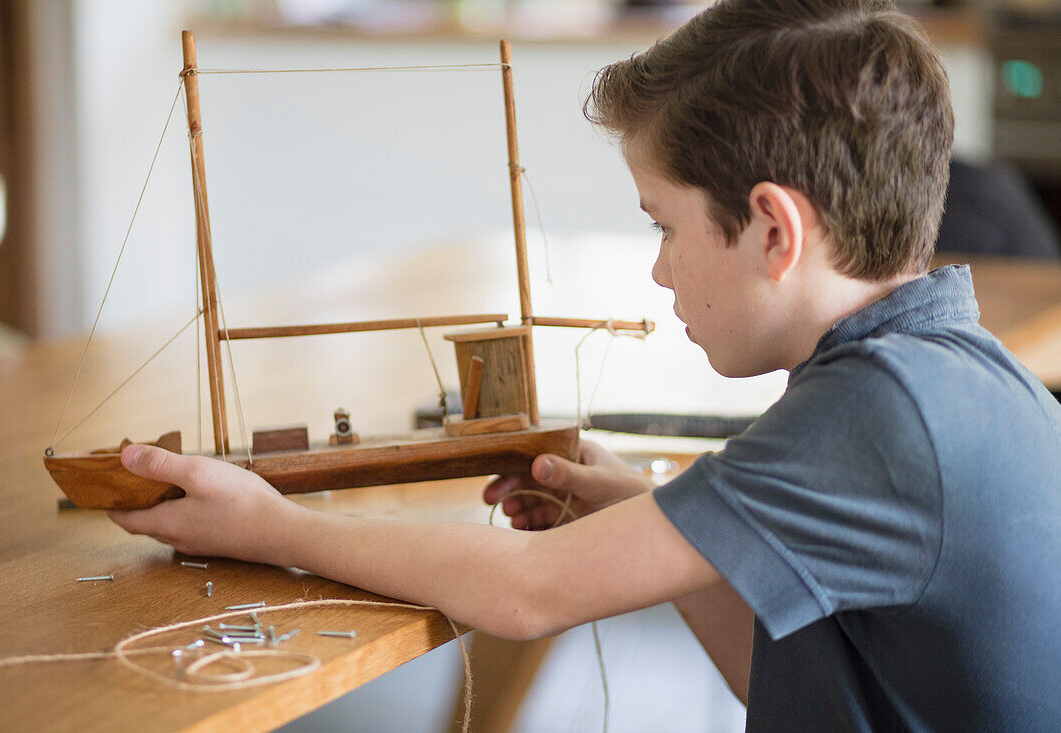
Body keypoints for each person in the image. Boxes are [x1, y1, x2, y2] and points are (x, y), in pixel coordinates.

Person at [108, 0, 1061, 729]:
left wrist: (274, 527)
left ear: (774, 228)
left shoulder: (879, 411)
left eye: (665, 224)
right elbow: (781, 682)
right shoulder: (943, 370)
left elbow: (528, 591)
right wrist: (655, 524)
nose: (658, 265)